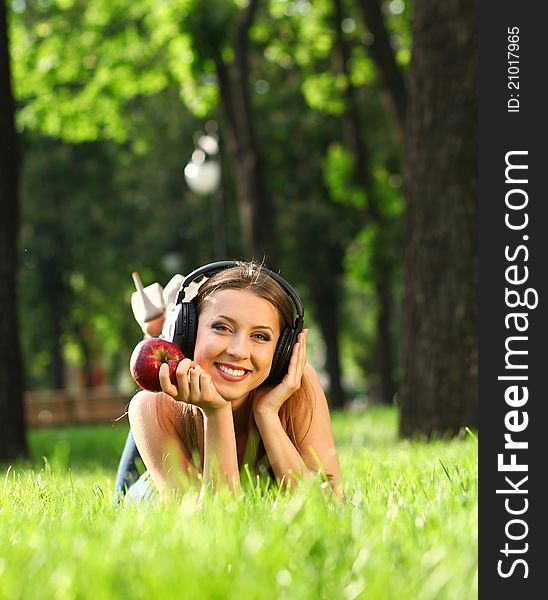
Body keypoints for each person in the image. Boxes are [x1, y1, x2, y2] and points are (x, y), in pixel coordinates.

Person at [121, 261, 343, 502]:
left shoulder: (299, 384)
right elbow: (212, 525)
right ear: (189, 332)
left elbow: (331, 506)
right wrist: (216, 414)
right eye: (222, 327)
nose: (239, 351)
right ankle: (160, 331)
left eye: (260, 336)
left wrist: (267, 413)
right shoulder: (151, 406)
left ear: (281, 350)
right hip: (148, 485)